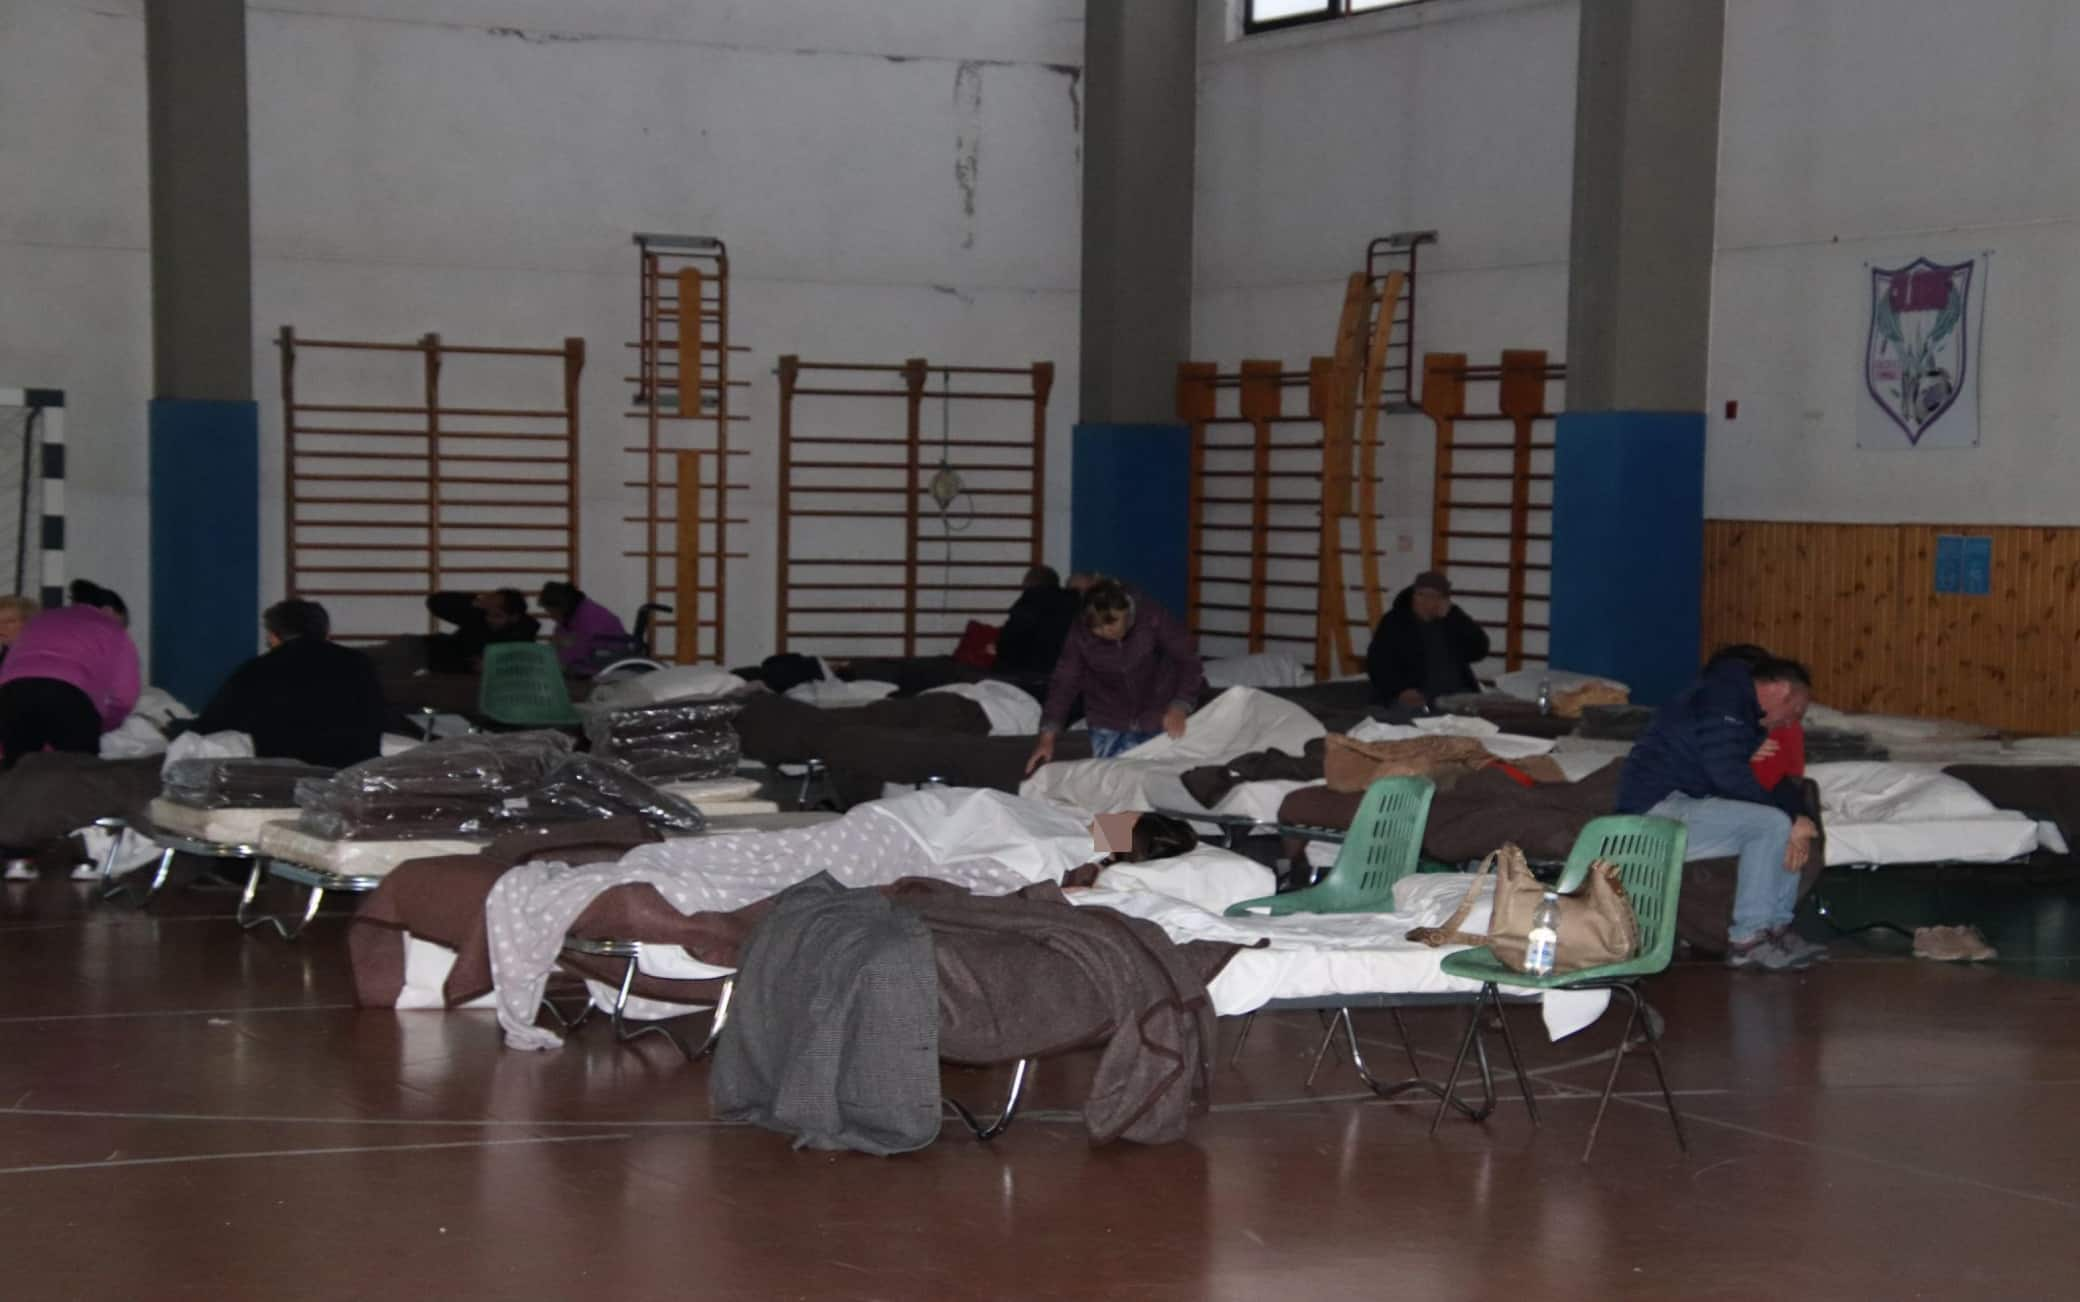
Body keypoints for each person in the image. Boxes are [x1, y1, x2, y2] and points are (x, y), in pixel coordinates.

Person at [1616, 655, 1826, 972]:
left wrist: (1798, 817)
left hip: (1682, 804)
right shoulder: (1720, 701)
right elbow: (1726, 774)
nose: (1791, 723)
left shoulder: (1746, 715)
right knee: (1772, 824)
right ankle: (1748, 941)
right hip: (1652, 810)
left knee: (1783, 826)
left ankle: (1775, 930)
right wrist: (1788, 820)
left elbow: (1767, 781)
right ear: (1781, 689)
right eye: (1794, 711)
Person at [1026, 577, 1204, 773]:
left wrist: (1180, 705)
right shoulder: (1080, 633)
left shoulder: (1151, 616)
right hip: (1107, 720)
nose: (1105, 631)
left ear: (1126, 611)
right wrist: (1047, 737)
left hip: (1159, 715)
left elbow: (1189, 661)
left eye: (1111, 622)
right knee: (1116, 785)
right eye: (1097, 627)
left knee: (1156, 782)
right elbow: (1064, 682)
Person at [191, 600, 386, 769]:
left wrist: (179, 728)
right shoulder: (359, 663)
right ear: (326, 632)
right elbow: (382, 713)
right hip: (353, 776)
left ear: (274, 637)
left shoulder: (258, 668)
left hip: (286, 780)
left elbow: (215, 721)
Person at [0, 581, 138, 769]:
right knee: (79, 774)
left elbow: (13, 665)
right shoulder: (112, 628)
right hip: (66, 694)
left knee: (18, 771)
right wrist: (103, 724)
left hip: (12, 693)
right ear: (109, 610)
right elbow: (124, 697)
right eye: (122, 621)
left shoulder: (42, 619)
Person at [1364, 571, 1491, 714]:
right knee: (1408, 715)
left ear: (1442, 600)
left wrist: (1454, 618)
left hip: (1458, 693)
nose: (1424, 600)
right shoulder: (1395, 621)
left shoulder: (1453, 618)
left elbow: (1480, 650)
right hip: (1416, 694)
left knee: (1491, 713)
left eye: (1431, 596)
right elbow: (1377, 663)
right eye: (1420, 594)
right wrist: (1400, 690)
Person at [994, 565, 1083, 676]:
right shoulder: (1076, 604)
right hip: (1066, 677)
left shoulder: (1028, 604)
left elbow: (1007, 647)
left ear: (1028, 583)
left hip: (1028, 678)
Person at [424, 588, 539, 674]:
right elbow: (435, 602)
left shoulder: (524, 631)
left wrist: (492, 665)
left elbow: (520, 665)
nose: (489, 619)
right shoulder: (479, 616)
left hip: (484, 681)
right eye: (488, 613)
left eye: (497, 616)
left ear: (514, 617)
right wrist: (477, 600)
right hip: (451, 662)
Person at [539, 581, 628, 674]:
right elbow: (557, 643)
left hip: (610, 667)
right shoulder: (569, 613)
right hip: (591, 664)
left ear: (559, 606)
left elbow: (582, 651)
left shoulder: (589, 615)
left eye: (550, 611)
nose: (551, 615)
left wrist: (557, 658)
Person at [0, 595, 40, 671]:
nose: (1, 627)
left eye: (9, 621)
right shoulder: (6, 653)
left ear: (29, 622)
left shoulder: (35, 657)